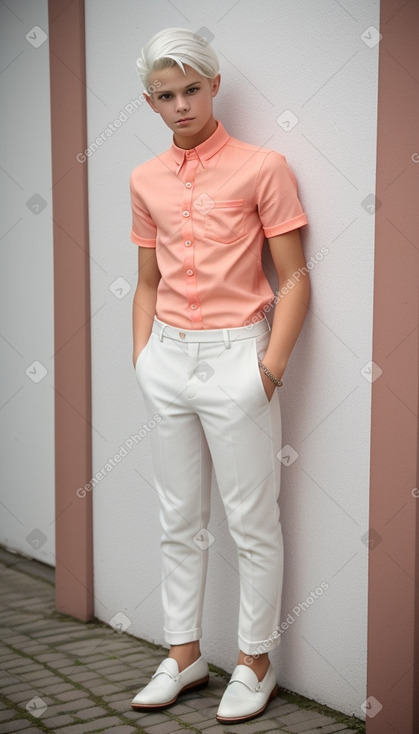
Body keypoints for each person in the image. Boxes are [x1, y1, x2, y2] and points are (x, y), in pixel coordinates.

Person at [129, 27, 309, 724]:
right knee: (178, 518)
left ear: (213, 86)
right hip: (166, 360)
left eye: (191, 90)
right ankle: (183, 656)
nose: (180, 106)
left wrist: (267, 371)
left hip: (239, 357)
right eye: (165, 95)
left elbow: (292, 278)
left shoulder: (263, 166)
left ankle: (254, 663)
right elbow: (146, 280)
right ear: (150, 102)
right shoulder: (144, 179)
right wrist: (143, 358)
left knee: (250, 521)